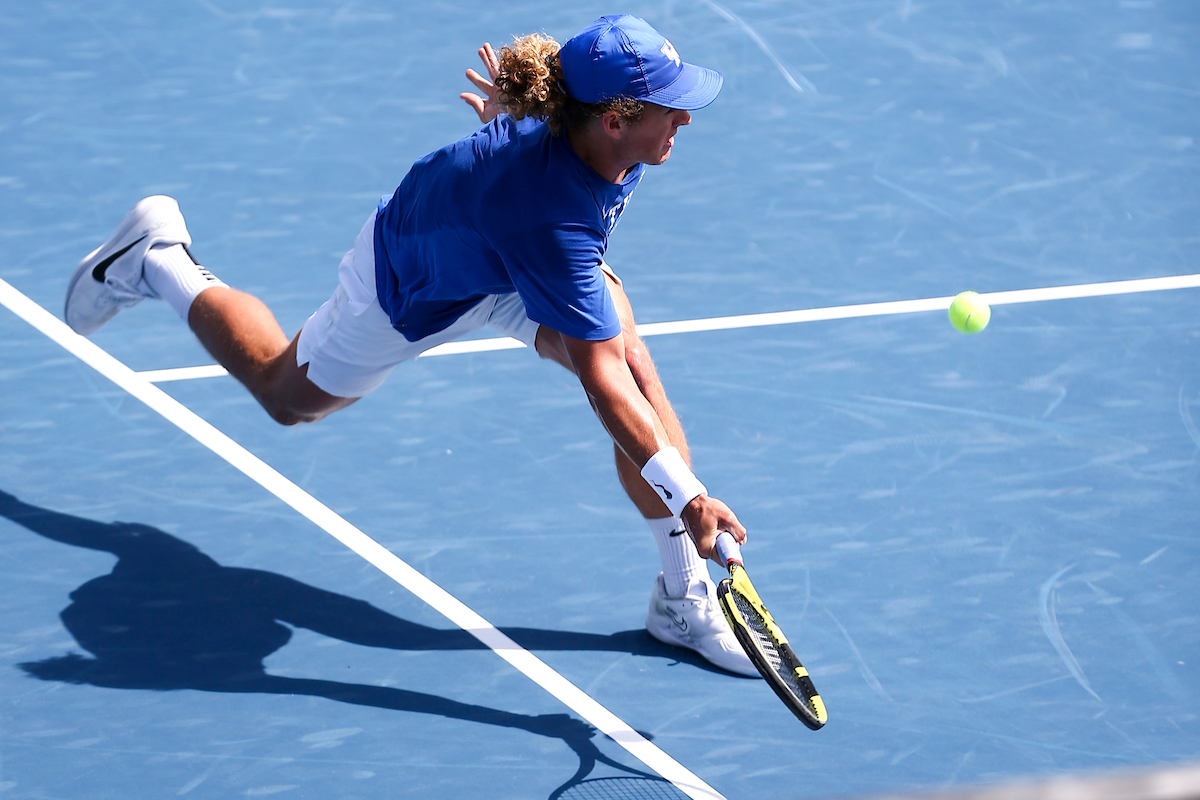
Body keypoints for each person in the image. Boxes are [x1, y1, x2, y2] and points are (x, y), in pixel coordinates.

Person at [64, 15, 756, 676]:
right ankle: (158, 257)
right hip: (415, 279)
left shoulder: (597, 139)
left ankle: (679, 597)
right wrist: (693, 501)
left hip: (514, 256)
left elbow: (604, 346)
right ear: (612, 121)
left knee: (637, 363)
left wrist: (509, 134)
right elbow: (597, 376)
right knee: (284, 396)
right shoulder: (551, 212)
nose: (686, 117)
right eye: (671, 107)